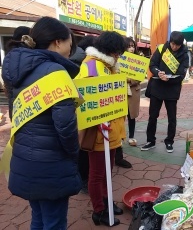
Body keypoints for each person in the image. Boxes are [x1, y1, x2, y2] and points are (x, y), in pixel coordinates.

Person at [1, 17, 81, 229]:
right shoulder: (55, 73)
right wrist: (74, 153)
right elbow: (65, 125)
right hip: (51, 162)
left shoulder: (17, 69)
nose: (69, 51)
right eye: (69, 45)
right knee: (54, 221)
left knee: (38, 216)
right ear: (57, 42)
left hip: (24, 157)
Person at [77, 31, 126, 226]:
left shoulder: (109, 66)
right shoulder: (91, 65)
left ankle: (107, 201)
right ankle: (98, 211)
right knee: (96, 174)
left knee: (108, 169)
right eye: (118, 53)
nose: (118, 56)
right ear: (110, 50)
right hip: (99, 130)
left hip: (112, 129)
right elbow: (86, 100)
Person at [141, 31, 189, 152]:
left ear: (181, 44)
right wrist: (158, 73)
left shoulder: (184, 54)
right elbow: (152, 65)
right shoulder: (162, 48)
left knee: (171, 118)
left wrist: (168, 79)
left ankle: (169, 141)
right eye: (172, 44)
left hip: (172, 90)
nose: (174, 47)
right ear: (170, 41)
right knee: (153, 116)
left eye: (177, 45)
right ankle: (150, 141)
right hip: (157, 88)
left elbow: (181, 73)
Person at [69, 35, 97, 194]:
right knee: (85, 146)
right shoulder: (90, 63)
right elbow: (92, 84)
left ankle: (81, 178)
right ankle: (84, 180)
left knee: (79, 146)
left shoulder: (73, 59)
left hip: (73, 109)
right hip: (84, 110)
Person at [114, 37, 139, 168]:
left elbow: (139, 77)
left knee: (132, 116)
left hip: (133, 92)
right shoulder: (119, 60)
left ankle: (131, 136)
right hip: (121, 92)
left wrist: (129, 80)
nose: (131, 48)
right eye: (129, 46)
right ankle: (120, 139)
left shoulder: (137, 61)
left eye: (133, 46)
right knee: (120, 117)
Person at [3, 26, 31, 120]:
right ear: (25, 37)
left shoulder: (9, 54)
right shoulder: (26, 54)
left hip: (13, 105)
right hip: (27, 105)